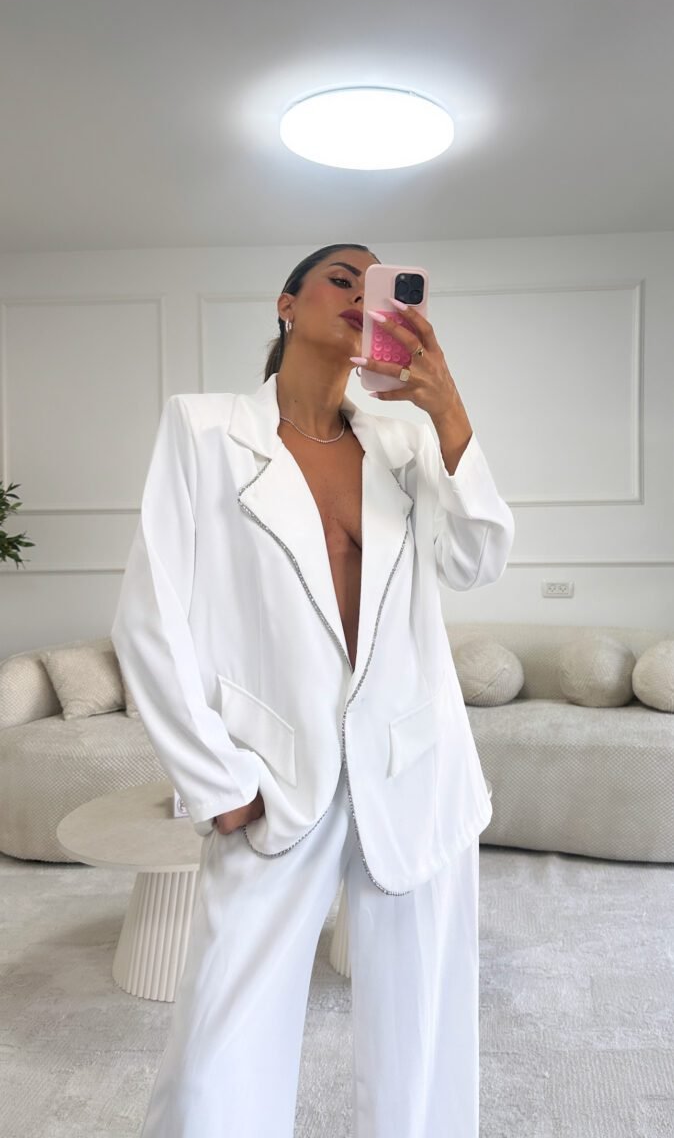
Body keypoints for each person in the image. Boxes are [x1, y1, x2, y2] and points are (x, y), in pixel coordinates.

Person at [111, 243, 515, 1137]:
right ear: (286, 303)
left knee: (422, 1035)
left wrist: (448, 412)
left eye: (378, 285)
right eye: (342, 278)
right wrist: (216, 780)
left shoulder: (404, 442)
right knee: (218, 1047)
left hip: (412, 762)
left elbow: (476, 560)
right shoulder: (203, 430)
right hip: (271, 771)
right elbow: (149, 617)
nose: (362, 293)